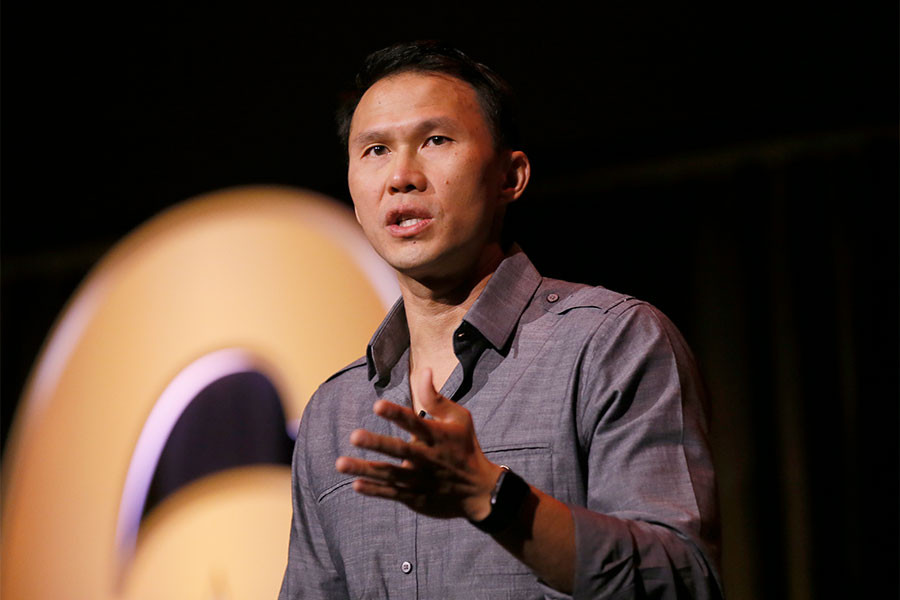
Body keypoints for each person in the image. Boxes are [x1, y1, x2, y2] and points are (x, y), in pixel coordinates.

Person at [279, 41, 723, 599]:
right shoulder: (332, 412)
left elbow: (681, 581)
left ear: (510, 177)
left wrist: (493, 497)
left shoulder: (611, 343)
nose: (401, 177)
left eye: (435, 140)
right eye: (374, 150)